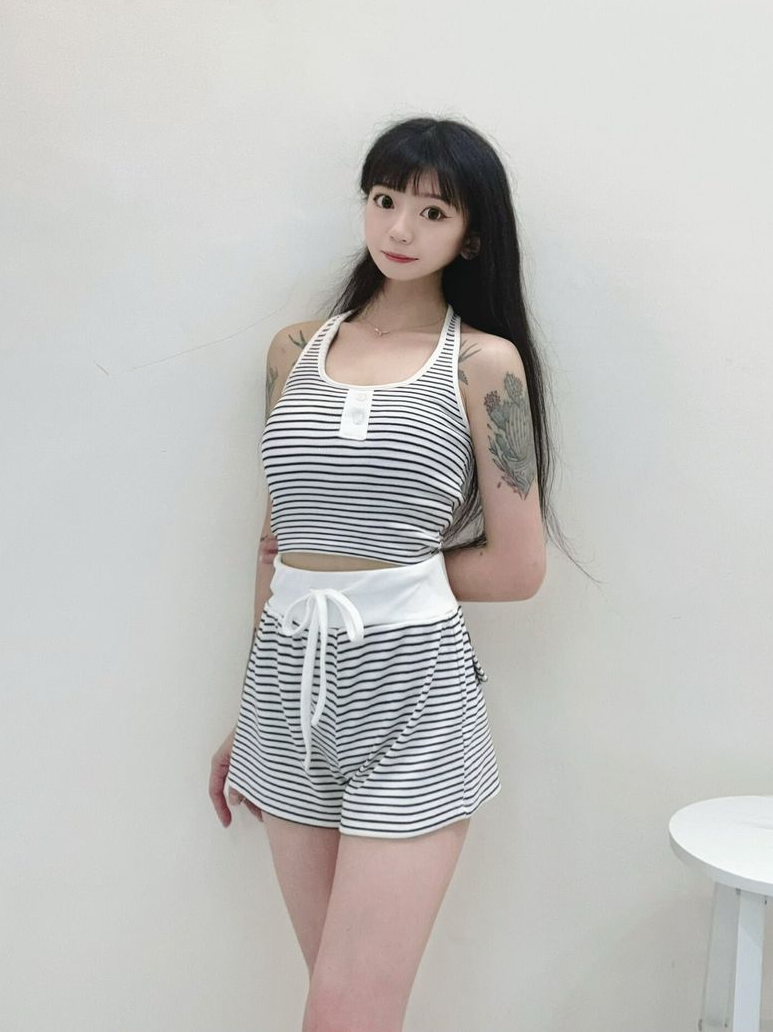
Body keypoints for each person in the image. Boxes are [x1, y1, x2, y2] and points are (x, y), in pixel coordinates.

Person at [207, 115, 576, 1032]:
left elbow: (518, 565)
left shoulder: (483, 365)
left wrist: (389, 582)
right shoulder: (293, 352)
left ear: (471, 235)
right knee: (338, 1001)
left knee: (346, 1012)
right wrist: (249, 713)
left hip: (411, 690)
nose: (400, 228)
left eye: (432, 211)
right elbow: (275, 541)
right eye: (384, 200)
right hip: (287, 691)